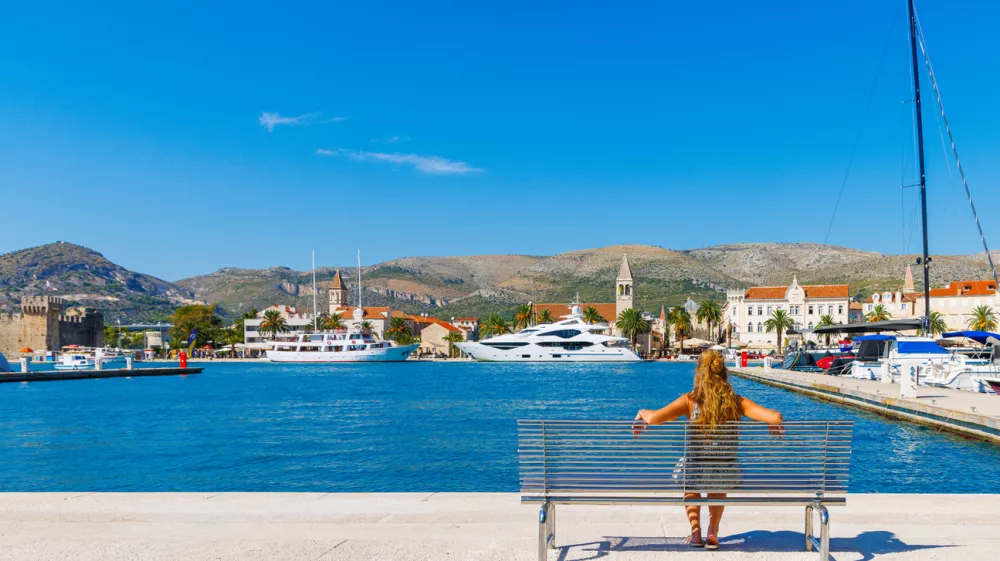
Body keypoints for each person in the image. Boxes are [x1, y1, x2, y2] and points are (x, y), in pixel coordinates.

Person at [632, 349, 783, 550]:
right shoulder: (736, 402)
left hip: (695, 468)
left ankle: (696, 533)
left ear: (699, 372)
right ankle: (713, 531)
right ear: (723, 372)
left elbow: (655, 418)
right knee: (717, 477)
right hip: (725, 470)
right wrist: (772, 423)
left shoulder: (689, 400)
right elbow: (774, 416)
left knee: (690, 478)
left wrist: (643, 412)